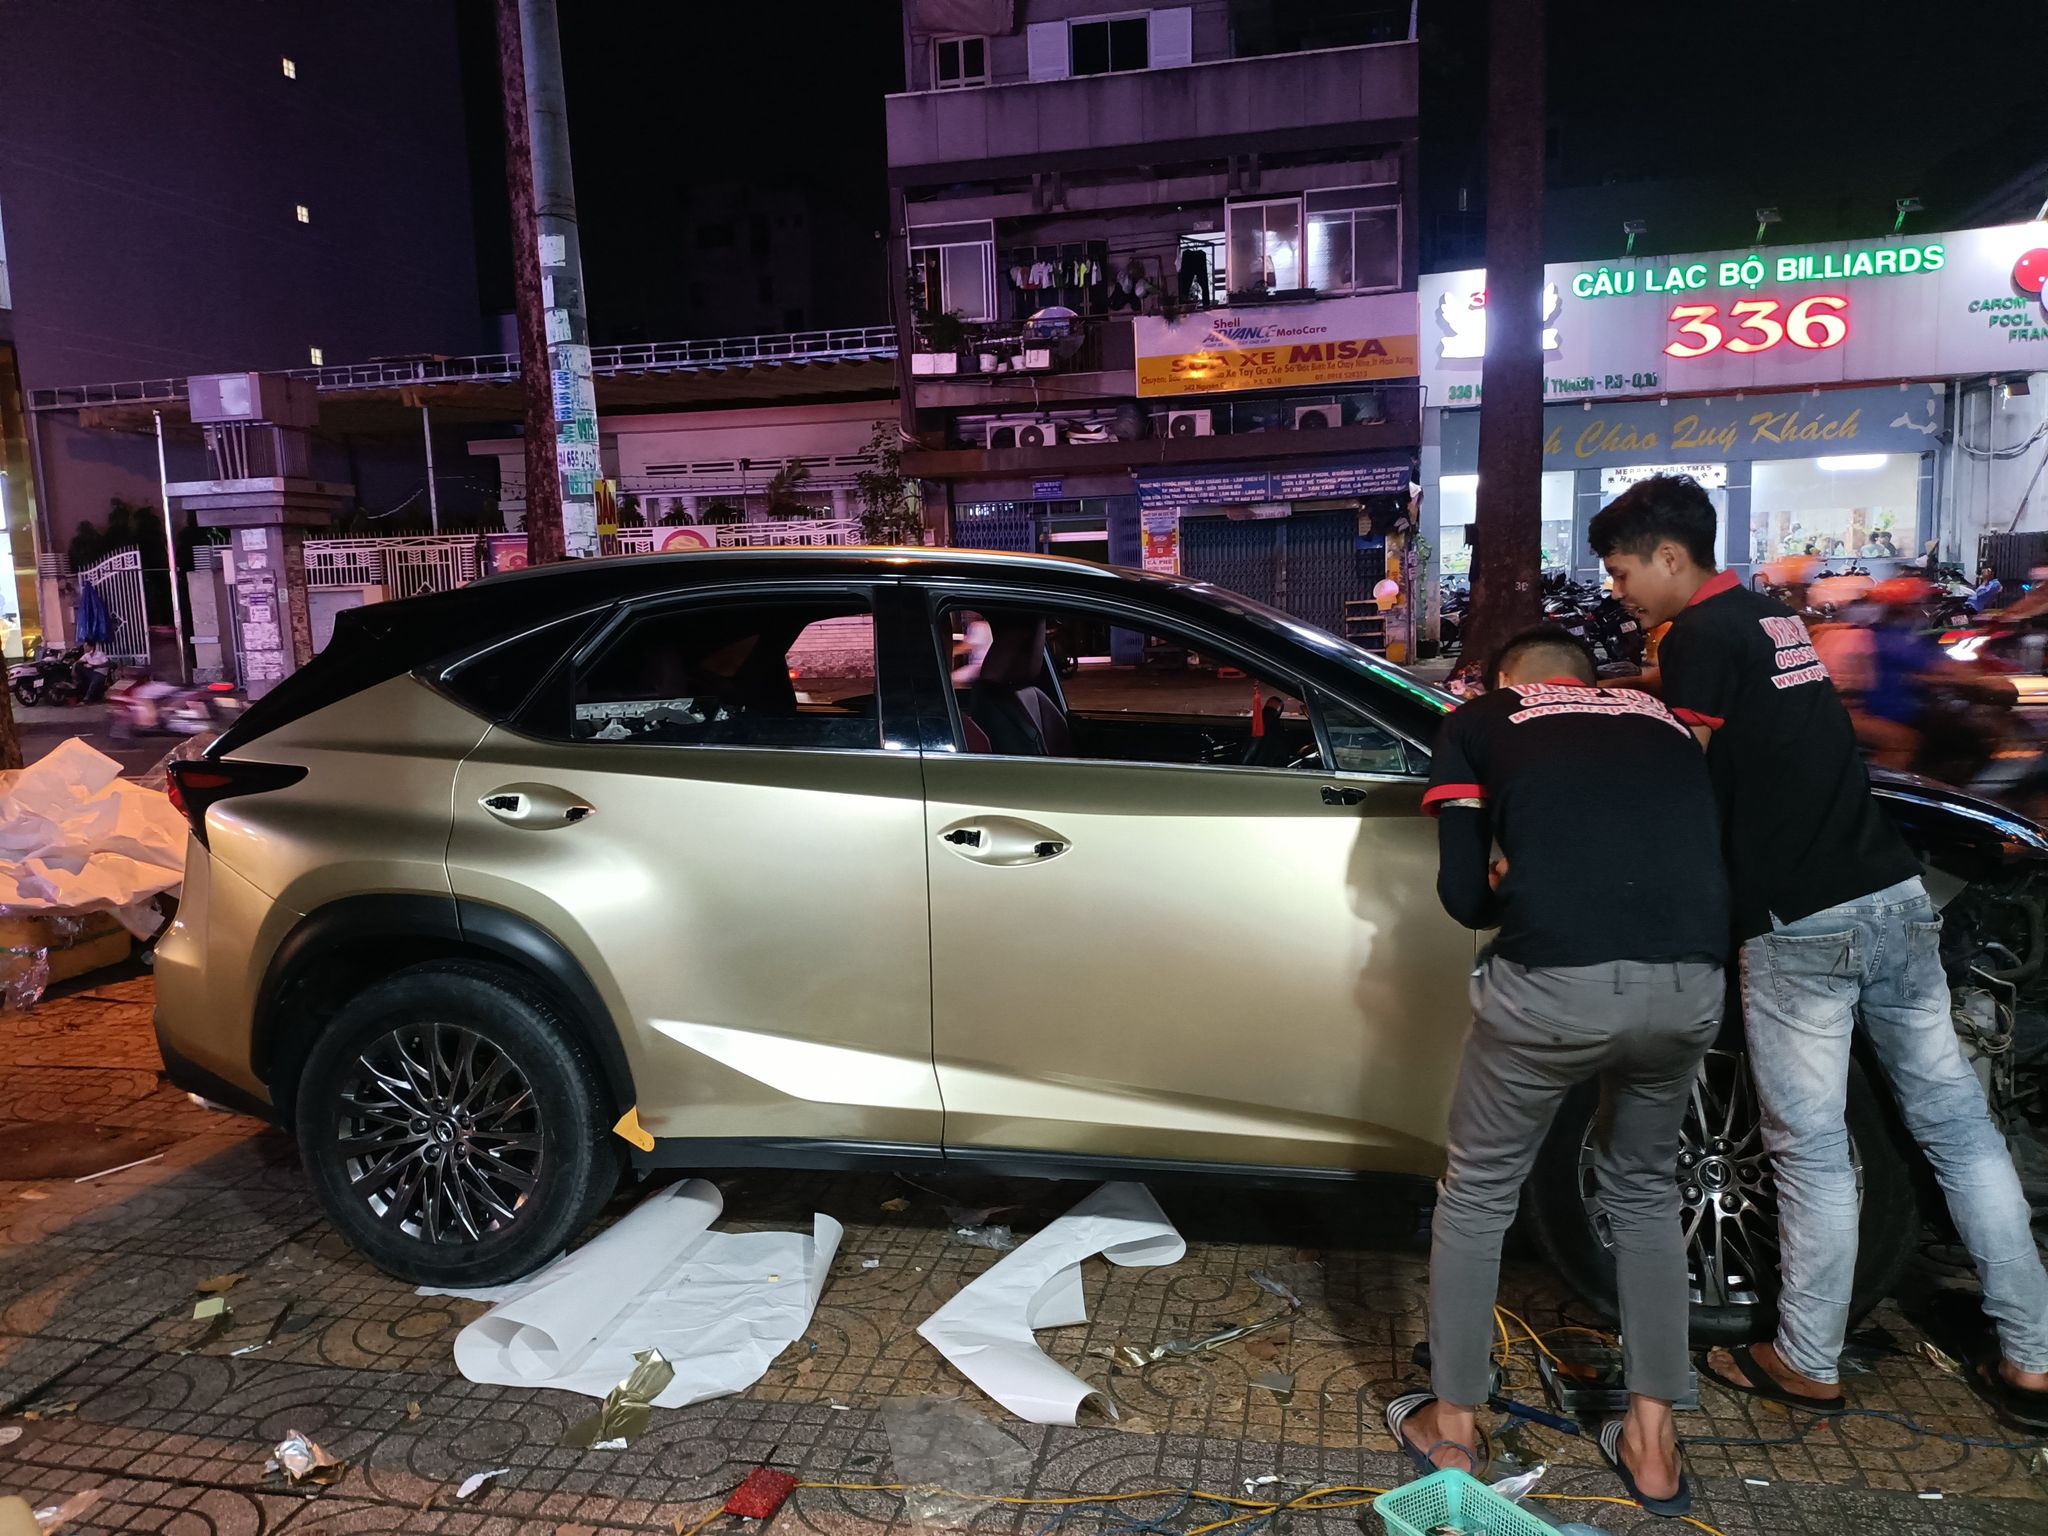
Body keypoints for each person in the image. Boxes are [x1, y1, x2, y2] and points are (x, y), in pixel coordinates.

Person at [1590, 474, 2048, 1430]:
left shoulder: (1695, 639)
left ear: (1669, 556)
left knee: (1811, 1154)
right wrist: (1621, 691)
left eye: (1623, 572)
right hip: (1890, 896)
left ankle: (1805, 1360)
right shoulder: (1770, 619)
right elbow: (1747, 717)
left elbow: (1683, 774)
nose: (1618, 591)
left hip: (1800, 923)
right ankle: (2034, 1353)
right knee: (1959, 1130)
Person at [1394, 626, 1729, 1515]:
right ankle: (1653, 1443)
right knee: (1645, 1193)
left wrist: (1512, 876)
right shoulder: (1659, 718)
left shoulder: (1481, 720)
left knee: (1478, 1193)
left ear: (1509, 680)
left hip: (1554, 991)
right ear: (1591, 681)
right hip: (1690, 988)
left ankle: (1454, 1428)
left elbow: (1462, 896)